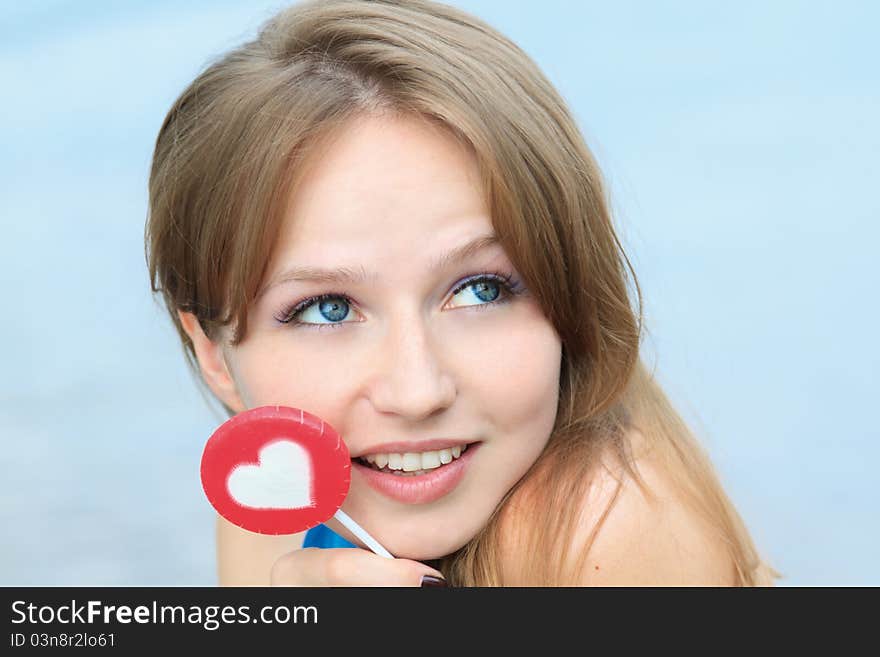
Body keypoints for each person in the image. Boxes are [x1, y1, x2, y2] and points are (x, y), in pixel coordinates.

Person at [146, 0, 778, 586]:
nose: (418, 391)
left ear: (570, 295)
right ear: (213, 353)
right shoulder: (271, 486)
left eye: (480, 290)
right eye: (326, 309)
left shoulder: (603, 531)